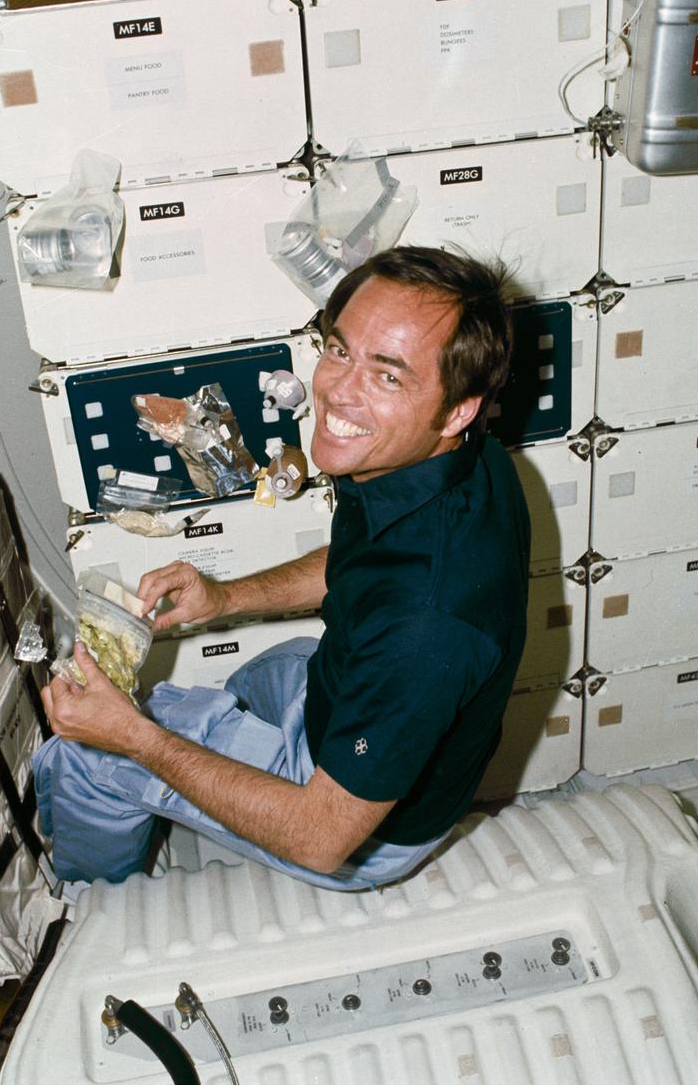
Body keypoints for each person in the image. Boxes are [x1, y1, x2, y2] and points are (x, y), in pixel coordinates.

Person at [34, 247, 531, 891]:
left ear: (457, 409)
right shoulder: (460, 459)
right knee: (252, 682)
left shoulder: (425, 627)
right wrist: (223, 598)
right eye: (341, 350)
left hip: (356, 835)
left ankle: (90, 910)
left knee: (83, 753)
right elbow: (364, 567)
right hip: (338, 695)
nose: (336, 393)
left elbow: (320, 839)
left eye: (388, 377)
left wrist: (134, 739)